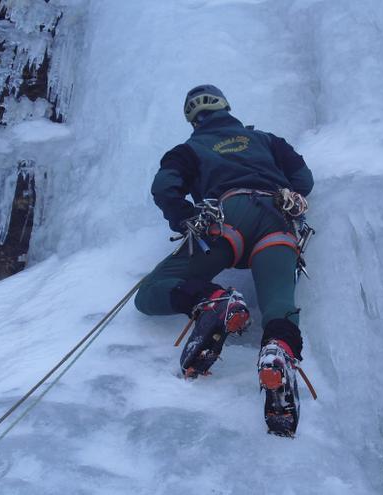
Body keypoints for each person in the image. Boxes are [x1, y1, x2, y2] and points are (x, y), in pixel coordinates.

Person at [134, 84, 314, 436]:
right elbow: (303, 179)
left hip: (227, 220)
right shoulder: (266, 140)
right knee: (279, 303)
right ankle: (277, 351)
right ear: (226, 108)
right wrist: (291, 194)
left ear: (193, 119)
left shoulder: (187, 150)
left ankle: (214, 301)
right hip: (278, 218)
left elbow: (164, 187)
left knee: (151, 291)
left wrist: (186, 216)